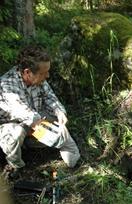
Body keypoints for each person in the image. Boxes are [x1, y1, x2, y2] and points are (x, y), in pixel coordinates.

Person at [0, 45, 80, 179]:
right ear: (27, 72)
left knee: (58, 121)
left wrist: (59, 112)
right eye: (44, 73)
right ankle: (16, 166)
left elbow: (50, 97)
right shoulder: (7, 85)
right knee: (15, 134)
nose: (47, 76)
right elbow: (23, 113)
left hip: (34, 117)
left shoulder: (38, 78)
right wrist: (41, 128)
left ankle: (73, 160)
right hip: (10, 125)